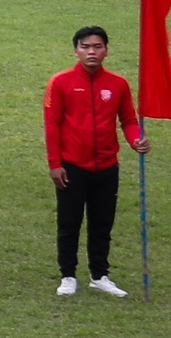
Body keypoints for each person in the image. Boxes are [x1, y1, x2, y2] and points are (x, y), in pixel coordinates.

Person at [43, 26, 144, 298]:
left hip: (107, 167)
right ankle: (68, 275)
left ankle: (100, 275)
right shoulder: (61, 82)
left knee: (102, 223)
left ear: (106, 51)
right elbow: (52, 126)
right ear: (76, 50)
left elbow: (129, 121)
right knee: (69, 223)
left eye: (97, 47)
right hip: (71, 166)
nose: (91, 52)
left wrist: (137, 141)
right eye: (86, 47)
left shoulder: (118, 84)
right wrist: (55, 163)